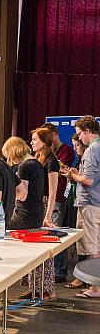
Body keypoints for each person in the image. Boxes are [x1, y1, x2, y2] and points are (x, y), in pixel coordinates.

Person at [63, 116, 100, 298]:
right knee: (96, 246)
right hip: (96, 203)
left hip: (90, 204)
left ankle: (95, 288)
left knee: (91, 246)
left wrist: (74, 177)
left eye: (79, 134)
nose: (80, 139)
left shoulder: (92, 150)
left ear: (86, 131)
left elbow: (89, 180)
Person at [30, 128, 62, 228]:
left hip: (44, 203)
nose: (31, 143)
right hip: (35, 201)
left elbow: (52, 191)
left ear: (44, 142)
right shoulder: (36, 159)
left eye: (35, 139)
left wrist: (48, 216)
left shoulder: (51, 161)